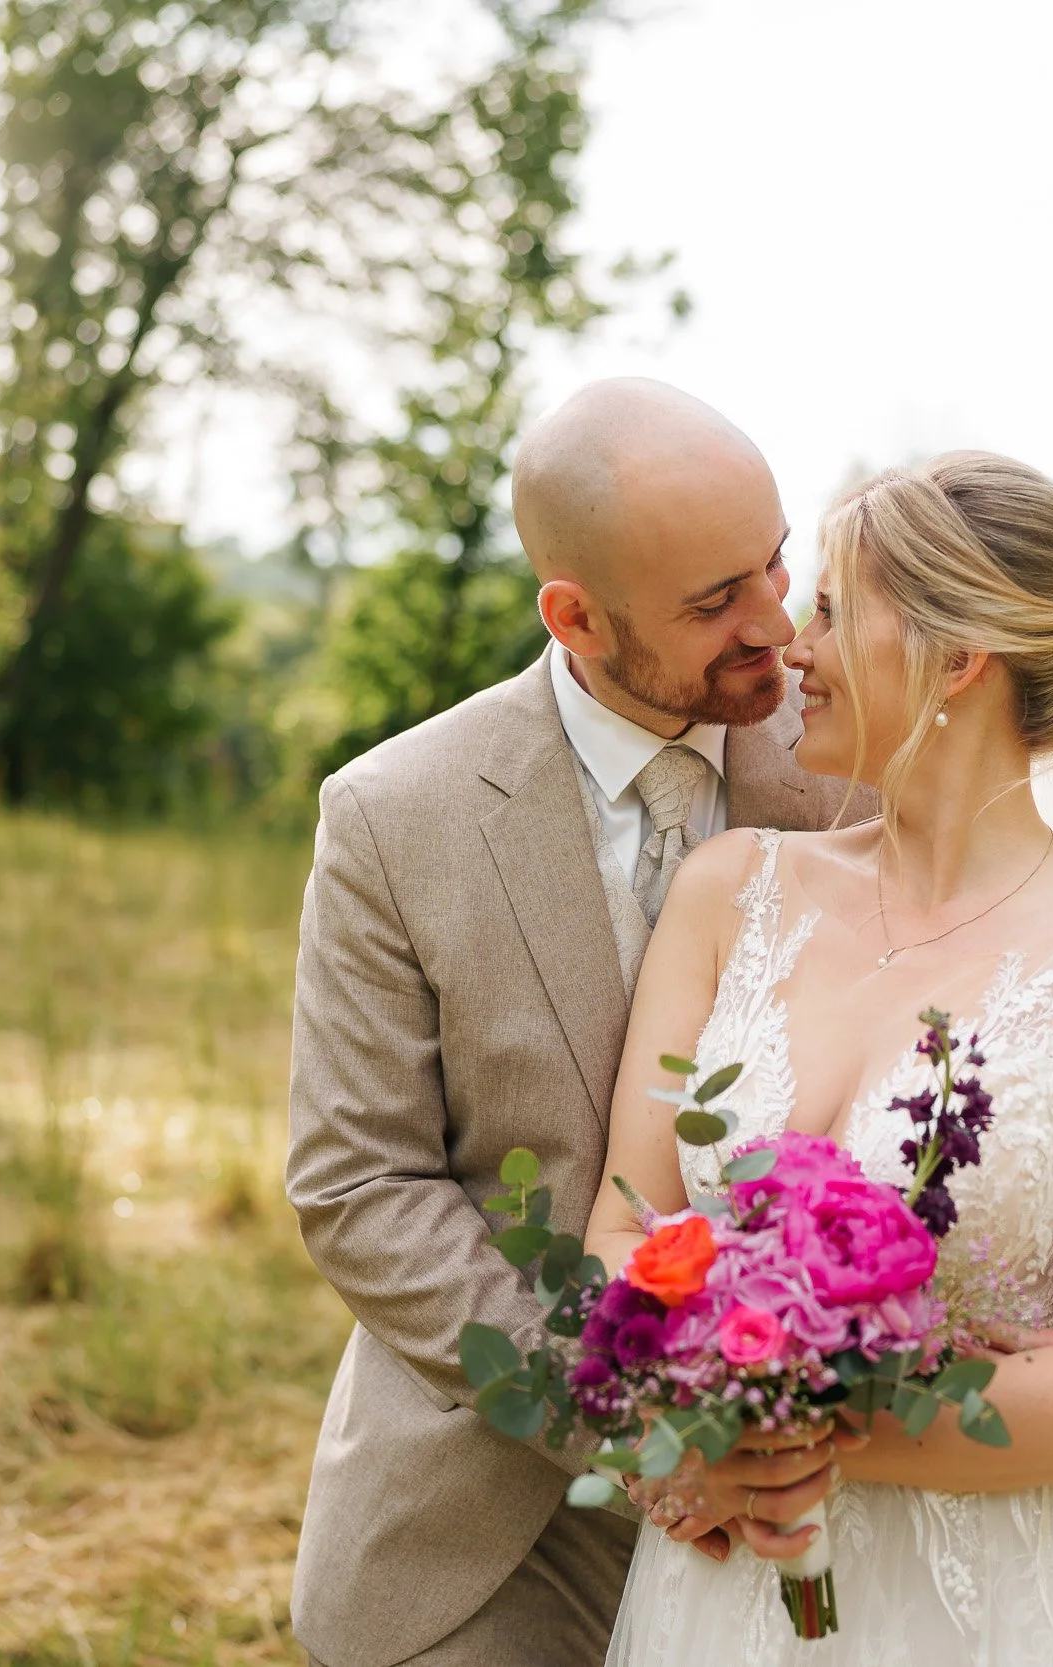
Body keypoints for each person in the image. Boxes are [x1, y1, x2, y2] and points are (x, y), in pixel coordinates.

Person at [583, 451, 1053, 1662]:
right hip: (727, 1592)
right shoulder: (730, 893)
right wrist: (699, 1429)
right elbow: (624, 1238)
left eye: (831, 609)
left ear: (957, 658)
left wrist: (780, 1437)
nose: (793, 642)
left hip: (1016, 1602)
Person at [283, 380, 876, 1667]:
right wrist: (636, 1426)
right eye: (714, 601)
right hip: (496, 1506)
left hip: (838, 1493)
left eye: (775, 561)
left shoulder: (858, 766)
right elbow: (359, 1185)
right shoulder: (395, 816)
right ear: (575, 616)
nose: (774, 623)